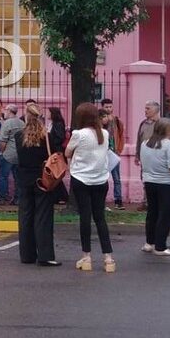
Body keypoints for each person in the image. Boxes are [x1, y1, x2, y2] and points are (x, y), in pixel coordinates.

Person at [65, 103, 115, 272]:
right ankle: (108, 258)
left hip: (81, 178)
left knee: (85, 217)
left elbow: (67, 153)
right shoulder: (105, 134)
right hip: (101, 179)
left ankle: (86, 257)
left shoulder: (78, 134)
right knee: (100, 217)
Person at [15, 103, 60, 266]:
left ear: (26, 117)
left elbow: (19, 158)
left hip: (24, 179)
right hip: (42, 179)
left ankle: (27, 255)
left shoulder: (19, 136)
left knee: (25, 216)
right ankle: (45, 255)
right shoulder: (46, 136)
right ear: (39, 117)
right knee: (43, 216)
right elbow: (53, 155)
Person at [140, 118, 170, 255]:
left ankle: (150, 242)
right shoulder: (169, 145)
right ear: (167, 130)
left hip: (150, 182)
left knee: (152, 213)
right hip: (168, 185)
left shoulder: (145, 143)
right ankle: (160, 246)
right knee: (166, 216)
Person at [0, 104, 24, 205]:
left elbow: (3, 141)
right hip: (19, 154)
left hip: (8, 154)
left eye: (6, 110)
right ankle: (17, 198)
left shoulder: (7, 124)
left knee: (3, 176)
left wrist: (1, 152)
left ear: (9, 111)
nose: (4, 112)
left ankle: (2, 197)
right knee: (17, 178)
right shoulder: (22, 123)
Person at [100, 99, 125, 209]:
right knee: (102, 178)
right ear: (102, 107)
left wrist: (119, 149)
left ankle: (118, 200)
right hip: (103, 153)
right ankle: (101, 201)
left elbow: (121, 135)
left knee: (117, 178)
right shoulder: (100, 121)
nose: (109, 109)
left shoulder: (116, 121)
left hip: (114, 152)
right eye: (106, 107)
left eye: (110, 107)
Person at [47, 107, 69, 204]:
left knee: (56, 175)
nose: (47, 114)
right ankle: (59, 196)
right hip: (52, 151)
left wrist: (51, 141)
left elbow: (60, 137)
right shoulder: (51, 123)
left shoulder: (58, 124)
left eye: (49, 113)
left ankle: (62, 196)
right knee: (53, 175)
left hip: (57, 152)